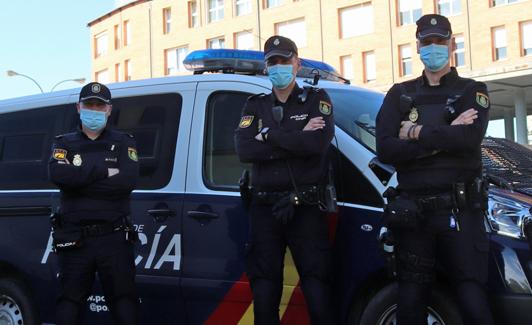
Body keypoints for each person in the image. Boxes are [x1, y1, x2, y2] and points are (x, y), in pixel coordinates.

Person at [376, 14, 493, 325]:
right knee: (410, 301)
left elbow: (468, 139)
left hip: (460, 213)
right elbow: (386, 148)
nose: (434, 47)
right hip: (414, 215)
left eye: (440, 41)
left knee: (472, 298)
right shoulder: (400, 93)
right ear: (417, 46)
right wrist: (445, 134)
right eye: (427, 42)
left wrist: (415, 132)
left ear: (452, 45)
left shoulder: (472, 90)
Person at [235, 35, 335, 325]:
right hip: (264, 209)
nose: (279, 66)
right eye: (273, 62)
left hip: (304, 207)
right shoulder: (255, 105)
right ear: (267, 68)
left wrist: (269, 135)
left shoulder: (317, 99)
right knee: (265, 294)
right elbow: (245, 149)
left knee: (318, 291)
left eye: (284, 60)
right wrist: (297, 137)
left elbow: (317, 144)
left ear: (297, 63)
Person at [48, 82, 139, 325]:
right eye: (89, 105)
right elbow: (58, 176)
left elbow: (127, 181)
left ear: (109, 110)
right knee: (69, 302)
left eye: (100, 105)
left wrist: (79, 179)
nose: (94, 109)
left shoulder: (123, 142)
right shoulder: (64, 143)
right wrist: (104, 171)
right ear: (79, 108)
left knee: (124, 302)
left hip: (114, 238)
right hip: (75, 239)